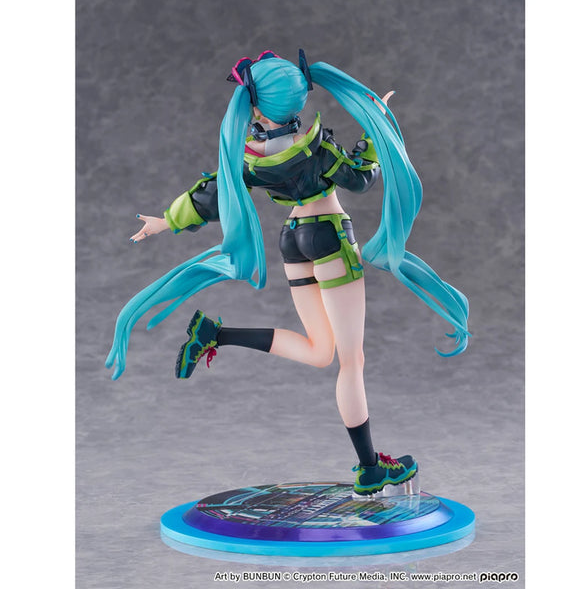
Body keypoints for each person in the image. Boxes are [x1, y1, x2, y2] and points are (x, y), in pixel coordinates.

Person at [106, 50, 470, 497]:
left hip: (292, 240)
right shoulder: (316, 147)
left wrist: (166, 220)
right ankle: (370, 468)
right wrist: (376, 133)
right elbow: (360, 179)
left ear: (257, 107)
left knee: (320, 352)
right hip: (330, 237)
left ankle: (215, 335)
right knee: (351, 362)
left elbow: (214, 195)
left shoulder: (251, 157)